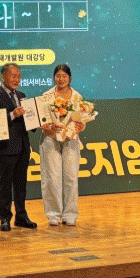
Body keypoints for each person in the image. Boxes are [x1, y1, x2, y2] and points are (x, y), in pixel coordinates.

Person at [0, 63, 38, 232]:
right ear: (3, 77)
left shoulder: (22, 95)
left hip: (23, 146)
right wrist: (12, 115)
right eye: (13, 76)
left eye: (18, 76)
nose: (16, 79)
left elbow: (28, 120)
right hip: (6, 148)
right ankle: (5, 218)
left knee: (21, 184)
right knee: (6, 184)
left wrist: (36, 120)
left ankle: (21, 216)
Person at [40, 64, 86, 226]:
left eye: (64, 76)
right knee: (52, 178)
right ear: (54, 77)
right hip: (51, 139)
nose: (61, 79)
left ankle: (70, 214)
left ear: (69, 78)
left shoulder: (77, 96)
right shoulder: (47, 96)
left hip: (71, 140)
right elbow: (42, 121)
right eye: (58, 76)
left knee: (71, 177)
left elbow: (82, 120)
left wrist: (80, 126)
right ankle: (53, 214)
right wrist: (48, 127)